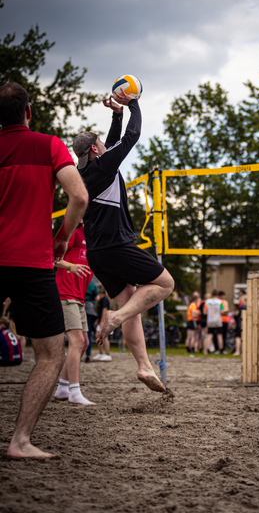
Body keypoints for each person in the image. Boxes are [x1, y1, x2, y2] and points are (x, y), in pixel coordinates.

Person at [0, 82, 88, 459]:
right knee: (51, 355)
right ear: (28, 112)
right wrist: (63, 238)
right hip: (31, 263)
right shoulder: (49, 144)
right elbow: (80, 196)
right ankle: (20, 441)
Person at [73, 91, 174, 392]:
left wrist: (115, 115)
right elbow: (132, 135)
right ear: (95, 148)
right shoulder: (104, 166)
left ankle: (144, 366)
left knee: (131, 299)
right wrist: (133, 104)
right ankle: (116, 316)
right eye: (101, 144)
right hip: (116, 246)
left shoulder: (85, 170)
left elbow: (112, 141)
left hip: (96, 253)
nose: (106, 144)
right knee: (165, 284)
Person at [53, 224, 95, 405]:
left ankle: (62, 387)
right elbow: (52, 258)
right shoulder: (74, 234)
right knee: (76, 341)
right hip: (64, 295)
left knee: (84, 343)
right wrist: (70, 266)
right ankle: (75, 391)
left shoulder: (95, 239)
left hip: (79, 298)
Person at [93, 286, 112, 361]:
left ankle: (107, 354)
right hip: (100, 320)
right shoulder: (101, 300)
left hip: (103, 321)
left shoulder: (104, 299)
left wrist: (102, 321)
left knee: (105, 337)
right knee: (98, 336)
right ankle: (100, 353)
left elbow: (105, 310)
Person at [203, 290, 224, 355]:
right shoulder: (220, 302)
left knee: (209, 336)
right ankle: (221, 349)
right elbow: (222, 311)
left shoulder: (207, 302)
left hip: (210, 320)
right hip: (217, 320)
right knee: (219, 335)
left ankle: (207, 349)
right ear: (217, 295)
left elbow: (204, 312)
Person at [84, 280, 99, 362]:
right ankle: (88, 355)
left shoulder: (78, 278)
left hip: (78, 304)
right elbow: (97, 298)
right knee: (88, 332)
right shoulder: (91, 284)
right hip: (89, 308)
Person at [233, 292, 246, 356]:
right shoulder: (249, 307)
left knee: (238, 337)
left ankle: (237, 351)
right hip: (246, 325)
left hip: (240, 324)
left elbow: (236, 314)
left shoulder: (241, 307)